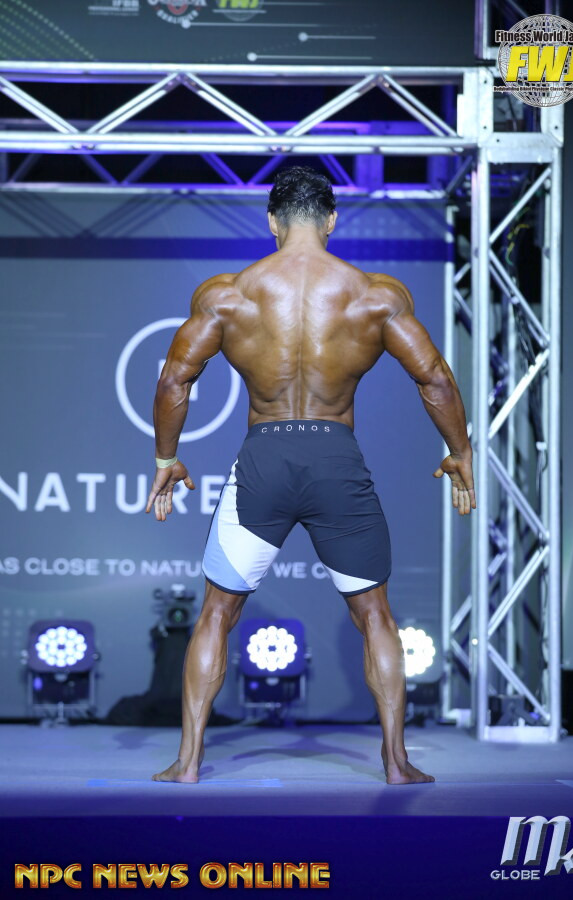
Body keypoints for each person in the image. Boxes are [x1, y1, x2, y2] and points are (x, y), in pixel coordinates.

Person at [145, 166, 476, 786]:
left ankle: (187, 763)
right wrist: (460, 451)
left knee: (216, 613)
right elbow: (433, 377)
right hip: (335, 458)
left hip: (264, 459)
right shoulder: (374, 295)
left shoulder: (227, 295)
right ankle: (396, 762)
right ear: (331, 220)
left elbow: (173, 380)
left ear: (272, 222)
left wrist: (167, 460)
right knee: (375, 615)